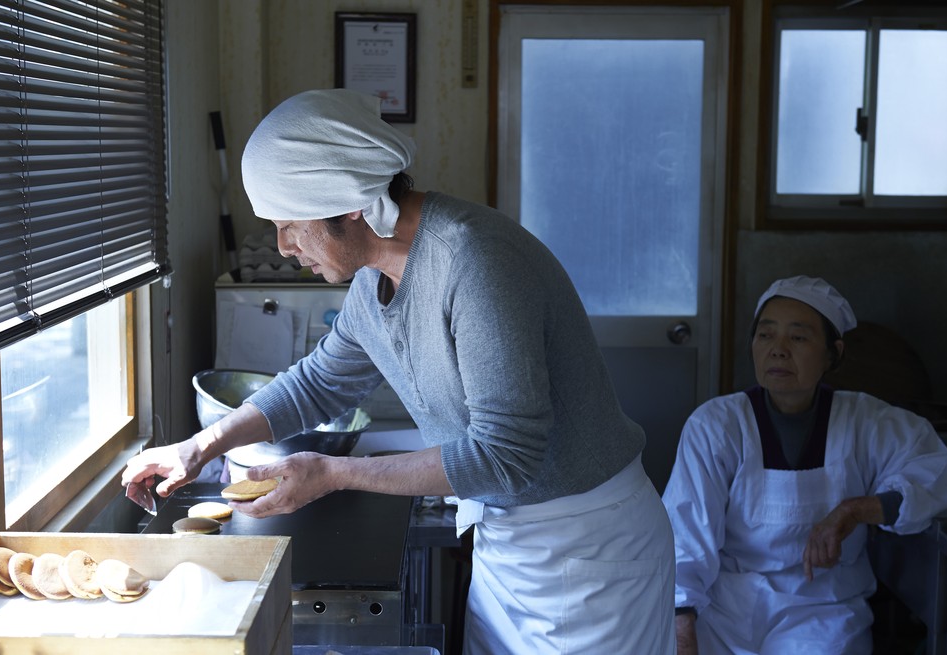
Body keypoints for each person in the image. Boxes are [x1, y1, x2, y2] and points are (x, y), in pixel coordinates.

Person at [122, 89, 675, 654]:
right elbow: (318, 382)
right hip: (510, 542)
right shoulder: (372, 277)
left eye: (291, 223)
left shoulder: (474, 263)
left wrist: (333, 473)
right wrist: (201, 446)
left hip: (588, 549)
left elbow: (505, 454)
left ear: (350, 201)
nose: (284, 246)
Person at [662, 275, 947, 655]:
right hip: (725, 611)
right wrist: (683, 629)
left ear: (832, 353)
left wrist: (858, 509)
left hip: (824, 612)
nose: (778, 350)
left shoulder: (866, 423)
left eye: (798, 337)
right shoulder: (717, 425)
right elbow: (685, 537)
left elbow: (946, 473)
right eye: (766, 335)